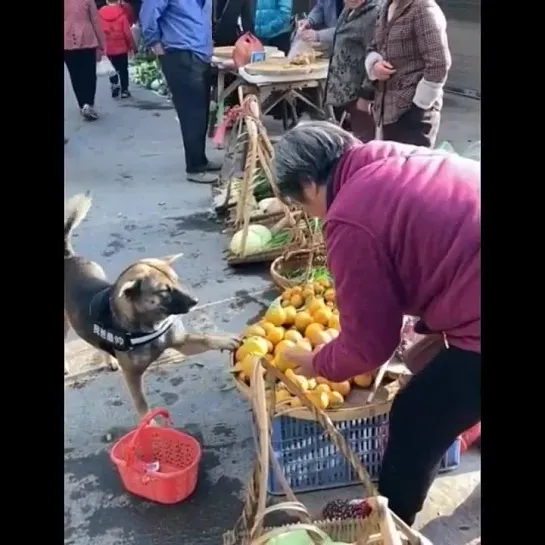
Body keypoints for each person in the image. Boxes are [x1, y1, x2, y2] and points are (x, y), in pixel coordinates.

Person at [273, 121, 480, 526]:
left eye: (300, 204)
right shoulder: (395, 157)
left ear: (308, 184)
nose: (312, 215)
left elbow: (369, 346)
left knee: (416, 415)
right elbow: (430, 247)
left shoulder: (348, 216)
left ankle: (389, 524)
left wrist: (318, 363)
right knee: (451, 383)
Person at [140, 0, 221, 184]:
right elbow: (149, 12)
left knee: (200, 111)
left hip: (200, 54)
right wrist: (154, 42)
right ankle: (194, 168)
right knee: (191, 113)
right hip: (179, 54)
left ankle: (200, 159)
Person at [365, 0, 451, 147]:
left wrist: (418, 108)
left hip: (412, 116)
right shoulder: (387, 7)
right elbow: (374, 46)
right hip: (387, 113)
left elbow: (439, 64)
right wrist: (374, 65)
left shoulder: (423, 8)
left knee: (411, 168)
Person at [324, 0, 379, 142]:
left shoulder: (374, 14)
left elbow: (375, 56)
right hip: (342, 94)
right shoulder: (348, 9)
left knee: (364, 143)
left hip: (359, 95)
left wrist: (366, 96)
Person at [64, 0, 105, 121]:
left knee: (75, 74)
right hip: (88, 38)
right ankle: (88, 103)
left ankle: (82, 104)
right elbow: (95, 21)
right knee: (90, 73)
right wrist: (101, 44)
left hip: (67, 40)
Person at [98, 0, 135, 98]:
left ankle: (114, 84)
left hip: (108, 46)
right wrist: (132, 46)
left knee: (111, 68)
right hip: (121, 46)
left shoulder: (99, 14)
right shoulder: (121, 13)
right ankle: (124, 90)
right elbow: (127, 32)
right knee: (123, 69)